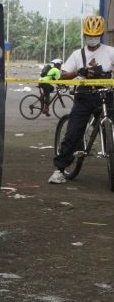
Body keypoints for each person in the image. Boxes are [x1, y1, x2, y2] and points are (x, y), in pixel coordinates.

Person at [49, 15, 114, 184]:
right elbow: (63, 74)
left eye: (95, 36)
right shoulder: (78, 55)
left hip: (106, 95)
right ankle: (60, 169)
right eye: (89, 36)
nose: (92, 39)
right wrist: (80, 72)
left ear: (101, 35)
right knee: (73, 132)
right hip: (84, 96)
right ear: (84, 35)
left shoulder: (110, 52)